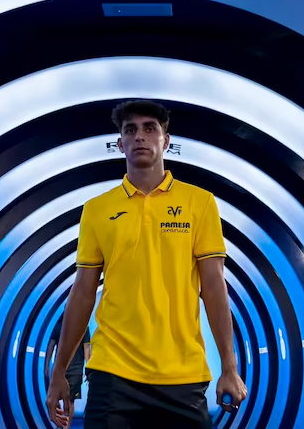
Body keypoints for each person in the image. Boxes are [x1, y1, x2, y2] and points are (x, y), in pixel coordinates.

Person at [45, 100, 248, 428]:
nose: (139, 136)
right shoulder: (97, 209)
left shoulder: (199, 203)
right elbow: (82, 294)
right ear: (120, 143)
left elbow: (213, 287)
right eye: (130, 130)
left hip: (183, 374)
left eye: (149, 128)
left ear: (166, 141)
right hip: (112, 374)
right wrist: (59, 373)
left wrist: (229, 366)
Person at [45, 314, 92, 412]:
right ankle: (60, 420)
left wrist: (88, 368)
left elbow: (87, 348)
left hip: (70, 370)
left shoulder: (83, 327)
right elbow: (51, 346)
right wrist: (47, 365)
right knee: (61, 399)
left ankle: (63, 422)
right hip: (64, 370)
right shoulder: (60, 326)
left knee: (69, 400)